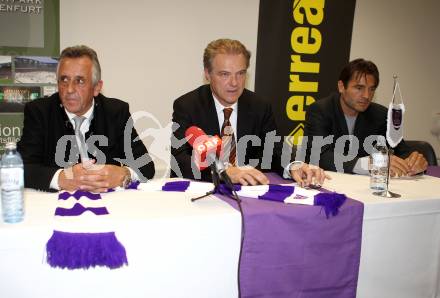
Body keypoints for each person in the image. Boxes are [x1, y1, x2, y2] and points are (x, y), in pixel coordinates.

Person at [171, 38, 327, 186]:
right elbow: (180, 160)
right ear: (207, 73)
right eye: (224, 74)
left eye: (240, 73)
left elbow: (275, 149)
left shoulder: (259, 106)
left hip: (249, 194)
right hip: (204, 195)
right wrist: (224, 172)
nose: (234, 83)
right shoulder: (187, 106)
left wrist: (294, 165)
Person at [17, 45, 155, 192]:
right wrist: (61, 178)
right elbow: (22, 167)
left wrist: (124, 174)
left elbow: (146, 165)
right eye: (64, 79)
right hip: (56, 207)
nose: (69, 89)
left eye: (80, 81)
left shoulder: (116, 112)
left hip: (110, 206)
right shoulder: (40, 112)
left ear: (97, 87)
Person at [303, 58, 427, 176]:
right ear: (341, 86)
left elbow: (402, 151)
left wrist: (414, 161)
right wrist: (366, 164)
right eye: (359, 88)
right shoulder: (320, 110)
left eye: (372, 89)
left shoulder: (381, 114)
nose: (367, 95)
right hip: (329, 184)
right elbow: (319, 156)